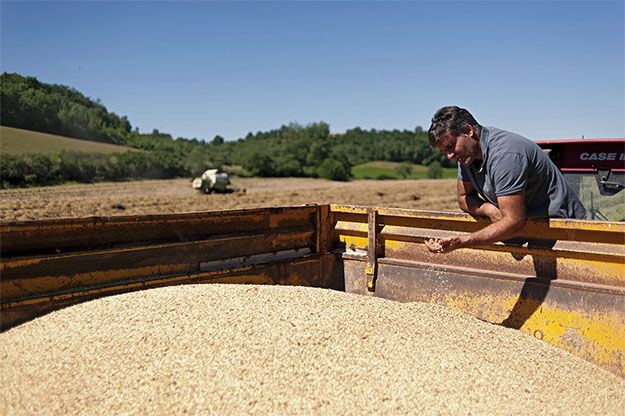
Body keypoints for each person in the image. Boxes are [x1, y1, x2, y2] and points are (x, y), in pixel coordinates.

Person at [424, 106, 585, 254]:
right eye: (445, 151)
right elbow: (463, 198)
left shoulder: (506, 154)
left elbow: (514, 222)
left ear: (469, 131)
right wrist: (488, 209)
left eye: (451, 146)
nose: (449, 156)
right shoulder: (466, 156)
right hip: (526, 228)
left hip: (565, 232)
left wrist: (462, 241)